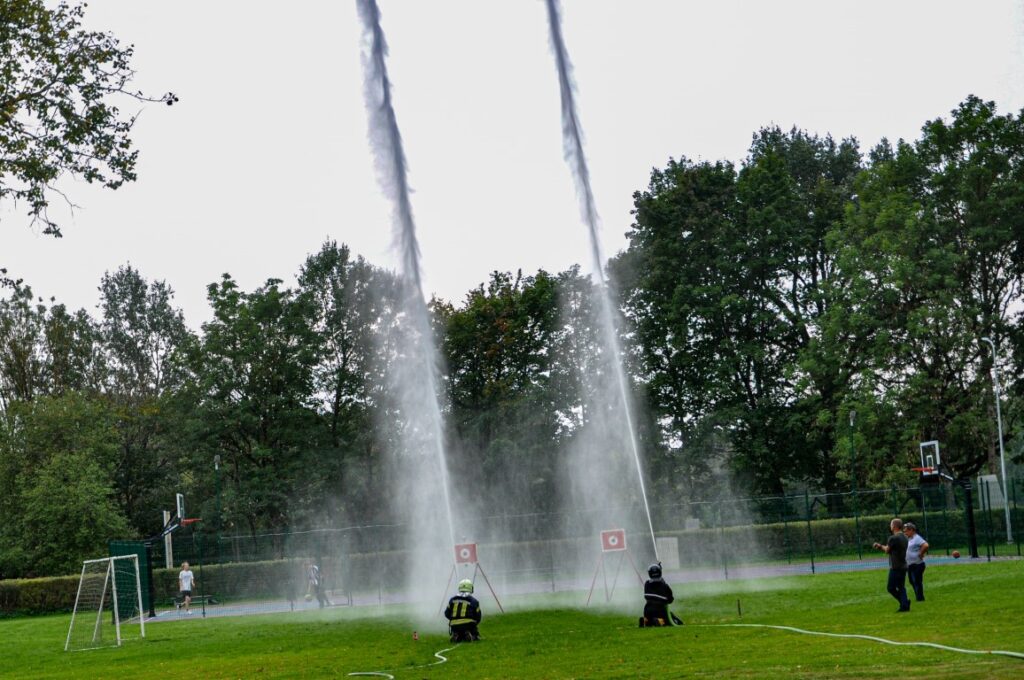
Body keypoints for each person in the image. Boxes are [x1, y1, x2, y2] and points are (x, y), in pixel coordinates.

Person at [873, 518, 910, 612]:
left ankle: (904, 602)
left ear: (894, 526)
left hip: (895, 566)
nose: (890, 526)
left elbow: (887, 550)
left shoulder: (893, 538)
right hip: (904, 565)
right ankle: (904, 604)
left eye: (891, 524)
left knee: (891, 588)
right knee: (901, 587)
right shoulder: (905, 537)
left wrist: (879, 546)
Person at [904, 522, 929, 602]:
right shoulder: (909, 539)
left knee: (917, 581)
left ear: (912, 530)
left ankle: (920, 598)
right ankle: (918, 596)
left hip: (917, 564)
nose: (905, 533)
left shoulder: (917, 538)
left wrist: (921, 553)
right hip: (910, 564)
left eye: (906, 531)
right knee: (912, 581)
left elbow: (925, 545)